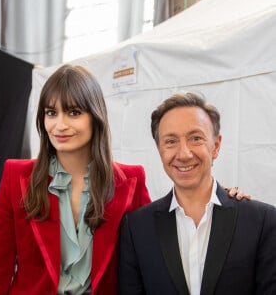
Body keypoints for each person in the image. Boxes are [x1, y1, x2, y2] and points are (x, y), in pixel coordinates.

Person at [0, 66, 247, 295]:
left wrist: (218, 196)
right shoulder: (17, 176)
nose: (59, 125)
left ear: (95, 117)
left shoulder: (129, 180)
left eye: (73, 112)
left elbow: (162, 236)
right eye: (51, 113)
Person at [118, 92, 276, 295]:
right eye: (171, 141)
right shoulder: (137, 227)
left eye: (196, 138)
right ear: (159, 150)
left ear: (215, 146)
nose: (184, 154)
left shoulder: (262, 221)